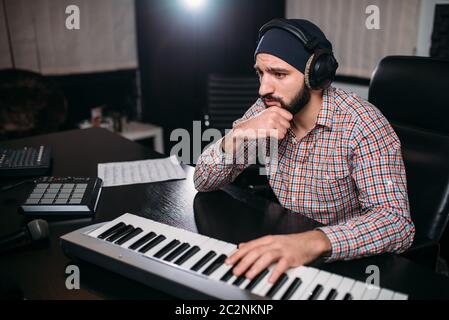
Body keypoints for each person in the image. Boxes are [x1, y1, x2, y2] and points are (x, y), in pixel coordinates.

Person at [193, 18, 415, 284]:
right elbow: (203, 181)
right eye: (260, 73)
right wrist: (237, 135)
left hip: (352, 267)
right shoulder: (267, 109)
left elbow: (396, 224)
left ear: (316, 75)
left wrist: (312, 242)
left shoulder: (362, 124)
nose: (264, 88)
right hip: (286, 246)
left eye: (279, 74)